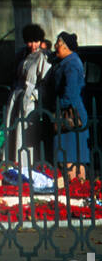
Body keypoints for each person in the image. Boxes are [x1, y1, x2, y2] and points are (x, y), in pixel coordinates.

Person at [4, 23, 51, 167]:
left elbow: (44, 81)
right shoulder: (22, 54)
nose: (33, 45)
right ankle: (13, 160)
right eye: (30, 41)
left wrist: (34, 96)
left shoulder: (43, 57)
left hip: (30, 99)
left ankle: (26, 163)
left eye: (36, 41)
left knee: (25, 132)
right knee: (13, 128)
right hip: (18, 95)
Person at [52, 30, 89, 188]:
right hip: (72, 113)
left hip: (71, 115)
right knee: (74, 156)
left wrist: (58, 108)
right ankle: (78, 191)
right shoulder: (67, 62)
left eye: (59, 45)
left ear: (67, 47)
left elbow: (71, 92)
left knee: (70, 158)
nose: (56, 47)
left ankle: (74, 191)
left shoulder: (71, 64)